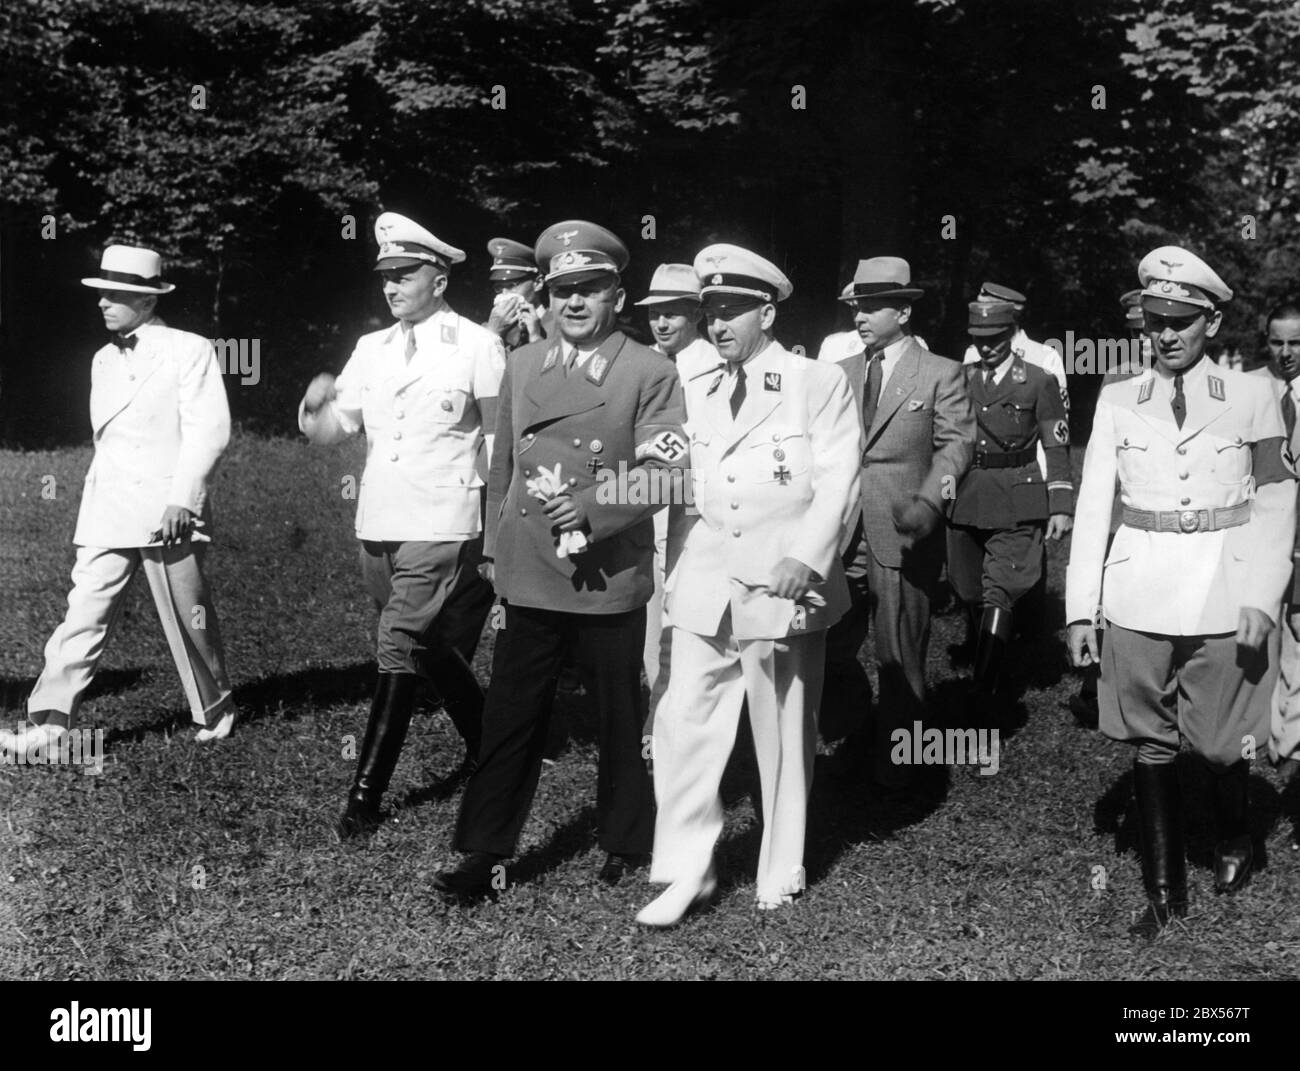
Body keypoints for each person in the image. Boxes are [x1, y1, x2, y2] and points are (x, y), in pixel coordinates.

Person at [434, 221, 688, 898]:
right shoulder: (522, 364)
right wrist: (492, 548)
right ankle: (483, 852)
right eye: (564, 290)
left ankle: (628, 838)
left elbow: (670, 471)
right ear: (547, 297)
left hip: (605, 575)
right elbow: (504, 465)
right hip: (530, 569)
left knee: (615, 714)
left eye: (591, 289)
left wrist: (594, 509)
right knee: (510, 716)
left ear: (618, 296)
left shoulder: (650, 371)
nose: (575, 303)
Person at [1066, 246, 1296, 931]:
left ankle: (1235, 835)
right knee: (1150, 737)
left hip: (1226, 586)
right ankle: (1165, 891)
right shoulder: (1116, 399)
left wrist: (1261, 594)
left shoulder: (1255, 396)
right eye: (1156, 319)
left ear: (1213, 322)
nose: (1166, 333)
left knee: (1225, 742)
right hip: (1139, 587)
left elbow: (1278, 500)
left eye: (1182, 320)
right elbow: (1093, 506)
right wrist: (1082, 608)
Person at [636, 244, 860, 926]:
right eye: (711, 311)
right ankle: (684, 868)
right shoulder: (690, 385)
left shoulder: (813, 381)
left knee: (783, 724)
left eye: (733, 309)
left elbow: (839, 478)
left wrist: (809, 557)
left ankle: (780, 865)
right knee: (682, 722)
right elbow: (671, 482)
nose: (720, 323)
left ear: (767, 311)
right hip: (704, 576)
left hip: (782, 581)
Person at [300, 211, 505, 839]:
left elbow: (499, 445)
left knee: (397, 643)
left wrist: (493, 531)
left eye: (405, 274)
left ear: (439, 279)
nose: (391, 287)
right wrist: (314, 411)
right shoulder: (372, 348)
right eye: (385, 275)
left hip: (443, 518)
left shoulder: (477, 344)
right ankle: (491, 739)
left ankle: (364, 796)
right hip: (380, 519)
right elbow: (340, 425)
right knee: (426, 646)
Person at [1, 244, 237, 758]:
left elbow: (210, 431)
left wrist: (183, 500)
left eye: (118, 294)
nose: (104, 302)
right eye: (103, 292)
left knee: (188, 613)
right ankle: (50, 724)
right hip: (108, 508)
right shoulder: (102, 358)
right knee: (83, 611)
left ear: (149, 301)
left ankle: (216, 708)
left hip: (168, 509)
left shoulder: (190, 348)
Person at [823, 257, 975, 789]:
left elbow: (956, 447)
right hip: (839, 534)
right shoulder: (837, 375)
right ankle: (854, 729)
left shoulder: (940, 372)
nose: (860, 317)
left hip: (903, 534)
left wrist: (930, 503)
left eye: (871, 307)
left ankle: (901, 769)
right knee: (828, 643)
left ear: (903, 311)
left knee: (899, 652)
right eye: (855, 307)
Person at [946, 300, 1072, 721]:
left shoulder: (1038, 381)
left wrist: (1060, 505)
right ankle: (990, 659)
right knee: (968, 589)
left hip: (1019, 493)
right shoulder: (958, 380)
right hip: (968, 494)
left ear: (1013, 334)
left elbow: (1056, 445)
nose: (987, 348)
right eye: (979, 341)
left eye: (995, 340)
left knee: (1001, 588)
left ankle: (984, 690)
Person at [632, 263, 720, 725]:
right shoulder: (645, 364)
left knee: (684, 626)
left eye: (673, 314)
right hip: (648, 510)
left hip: (693, 512)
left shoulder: (715, 367)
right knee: (651, 627)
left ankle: (676, 727)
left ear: (696, 314)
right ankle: (660, 725)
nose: (662, 324)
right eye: (655, 315)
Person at [1068, 289, 1147, 729]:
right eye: (1137, 331)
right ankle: (1097, 686)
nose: (1146, 340)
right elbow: (1102, 450)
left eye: (1147, 328)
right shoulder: (1118, 375)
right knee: (1109, 596)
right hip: (1122, 508)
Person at [1258, 302, 1300, 775]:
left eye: (1296, 342)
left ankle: (1290, 744)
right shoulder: (1247, 389)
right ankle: (1257, 730)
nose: (1286, 352)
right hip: (1258, 534)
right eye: (1277, 341)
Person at [484, 237, 551, 352]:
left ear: (538, 283)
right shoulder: (488, 328)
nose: (504, 294)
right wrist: (492, 332)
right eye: (499, 288)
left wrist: (535, 337)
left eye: (511, 285)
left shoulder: (558, 324)